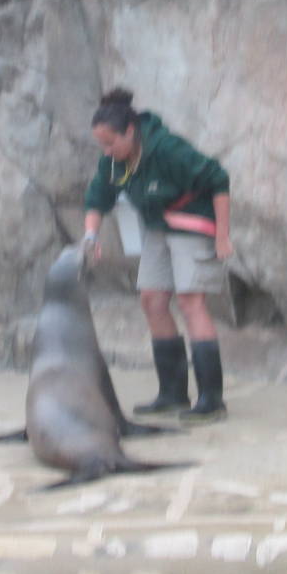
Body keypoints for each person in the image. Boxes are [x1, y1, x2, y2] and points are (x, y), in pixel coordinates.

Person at [83, 88, 234, 424]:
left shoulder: (167, 148)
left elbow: (218, 179)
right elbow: (97, 198)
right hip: (157, 227)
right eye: (102, 145)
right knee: (151, 300)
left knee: (191, 302)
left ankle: (211, 400)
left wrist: (222, 235)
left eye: (111, 143)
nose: (107, 151)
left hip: (192, 224)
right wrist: (90, 237)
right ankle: (172, 393)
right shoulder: (114, 162)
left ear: (130, 132)